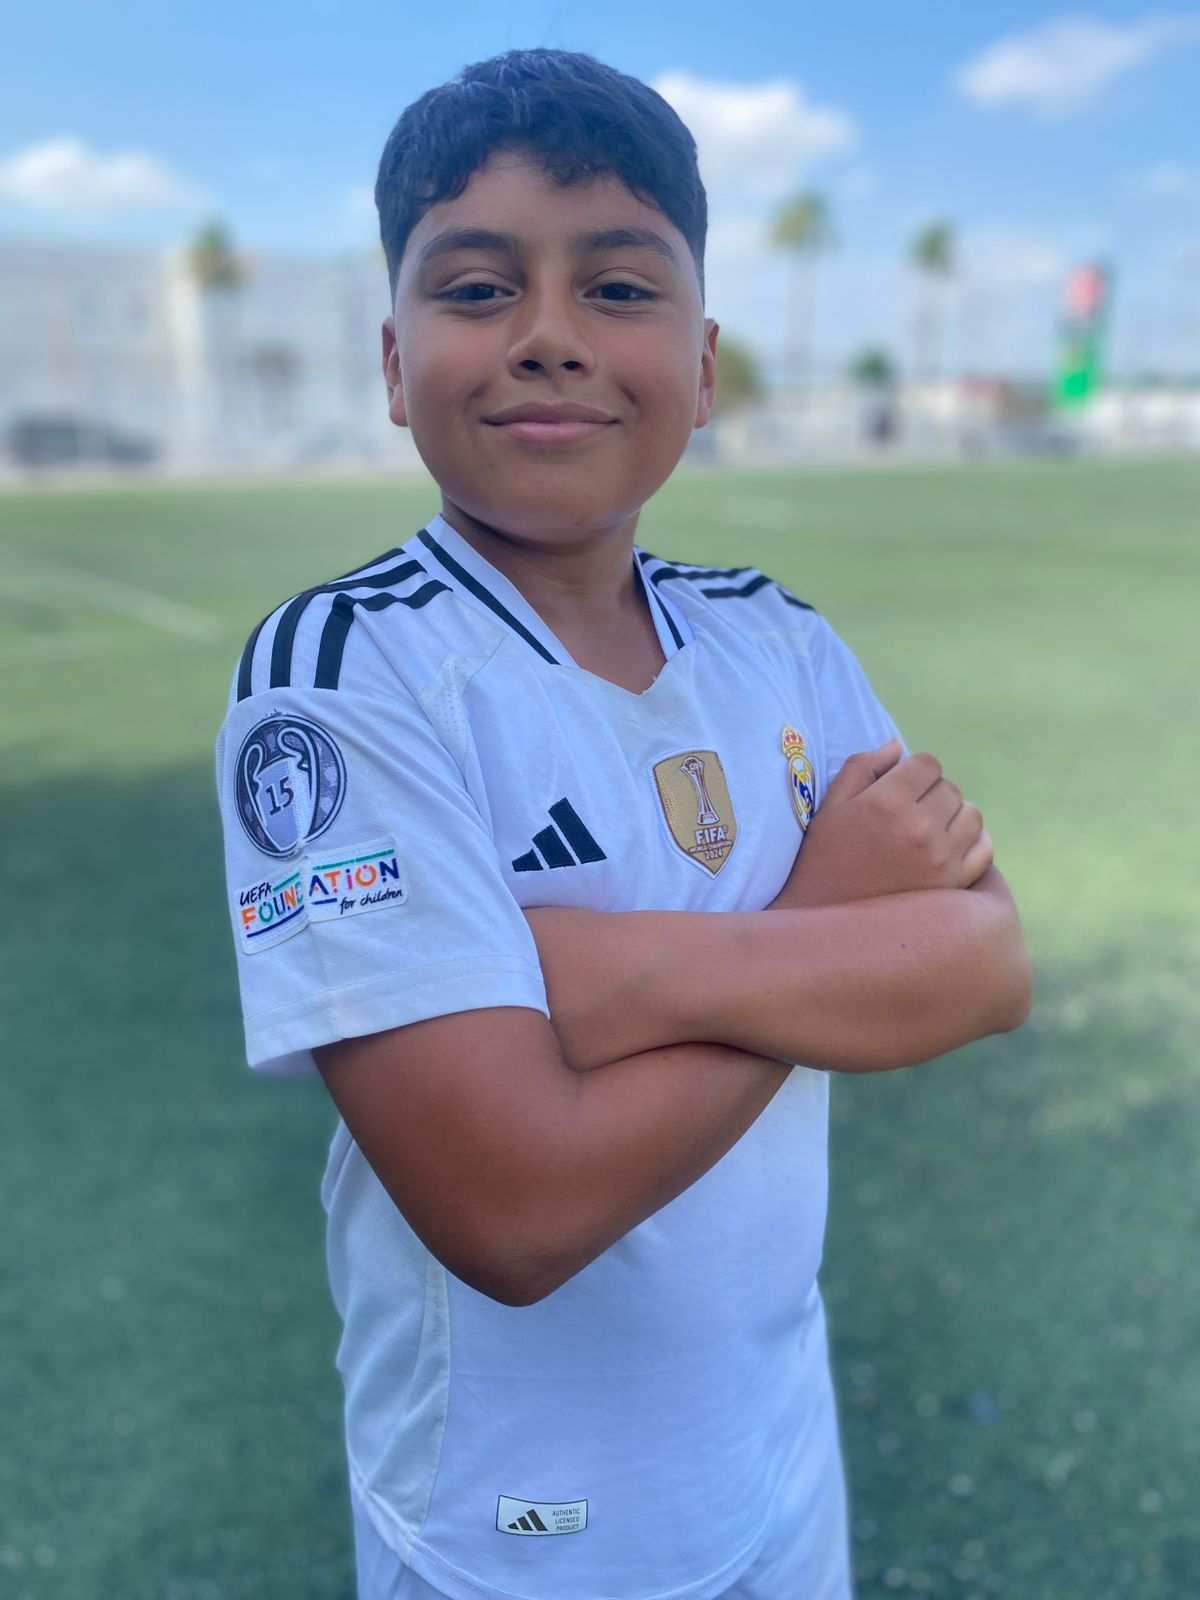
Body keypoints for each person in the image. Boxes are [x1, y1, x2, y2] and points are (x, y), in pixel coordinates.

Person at [213, 47, 1032, 1600]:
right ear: (392, 362)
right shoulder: (341, 673)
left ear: (703, 367)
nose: (546, 334)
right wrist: (823, 923)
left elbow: (988, 965)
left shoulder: (779, 640)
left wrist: (590, 975)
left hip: (777, 1450)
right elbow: (514, 1205)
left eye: (618, 287)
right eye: (475, 289)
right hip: (516, 1523)